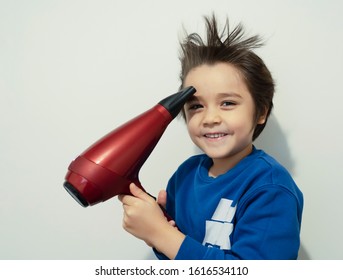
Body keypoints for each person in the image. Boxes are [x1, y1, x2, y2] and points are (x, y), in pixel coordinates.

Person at [118, 14, 303, 260]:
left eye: (227, 103)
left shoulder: (269, 188)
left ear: (261, 112)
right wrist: (158, 228)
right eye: (196, 106)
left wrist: (162, 234)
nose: (210, 118)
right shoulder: (184, 176)